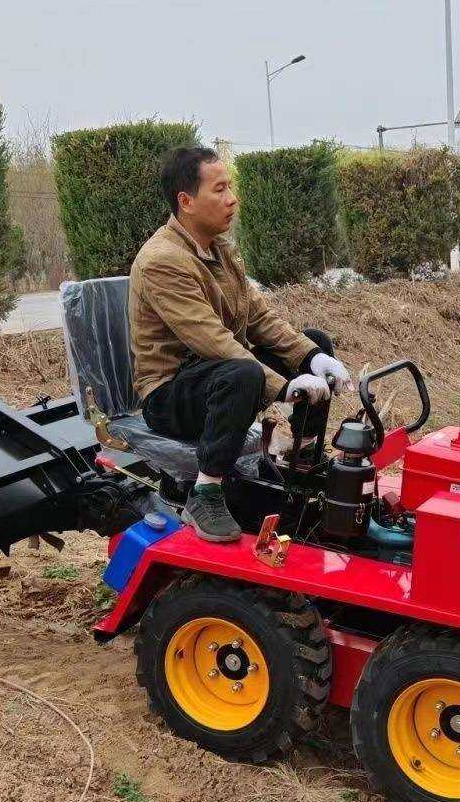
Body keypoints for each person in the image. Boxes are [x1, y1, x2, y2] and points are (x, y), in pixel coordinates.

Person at [129, 146, 352, 543]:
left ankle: (301, 461)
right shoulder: (163, 260)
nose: (232, 199)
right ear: (186, 201)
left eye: (230, 186)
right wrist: (283, 387)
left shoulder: (221, 251)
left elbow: (261, 320)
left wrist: (313, 357)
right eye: (219, 189)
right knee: (243, 371)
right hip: (170, 393)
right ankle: (206, 491)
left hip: (219, 375)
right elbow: (214, 341)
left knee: (313, 341)